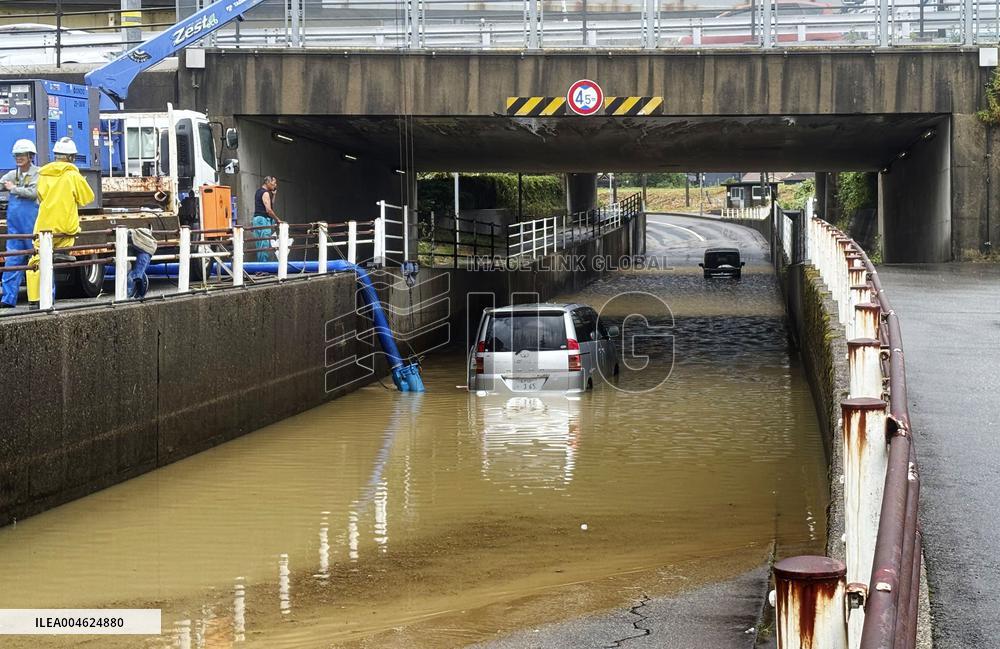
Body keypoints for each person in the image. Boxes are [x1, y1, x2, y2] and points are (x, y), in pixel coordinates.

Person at [26, 137, 94, 307]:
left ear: (55, 155)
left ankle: (35, 300)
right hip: (65, 227)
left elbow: (39, 196)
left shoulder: (42, 174)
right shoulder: (72, 175)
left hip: (43, 225)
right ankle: (62, 254)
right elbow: (88, 198)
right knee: (66, 242)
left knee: (35, 261)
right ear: (71, 157)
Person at [0, 139, 40, 308]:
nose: (18, 158)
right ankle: (7, 299)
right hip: (15, 229)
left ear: (30, 156)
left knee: (38, 262)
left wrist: (14, 189)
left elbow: (33, 192)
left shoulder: (39, 173)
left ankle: (42, 298)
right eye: (16, 155)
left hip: (32, 226)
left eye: (22, 155)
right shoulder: (12, 175)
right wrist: (7, 186)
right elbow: (3, 183)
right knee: (12, 262)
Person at [251, 176, 282, 263]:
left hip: (257, 219)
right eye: (274, 183)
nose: (275, 185)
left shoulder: (258, 192)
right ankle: (262, 268)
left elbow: (270, 204)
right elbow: (268, 210)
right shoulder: (265, 193)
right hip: (263, 220)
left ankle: (260, 267)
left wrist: (274, 194)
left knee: (259, 245)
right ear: (268, 182)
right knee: (264, 245)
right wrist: (277, 219)